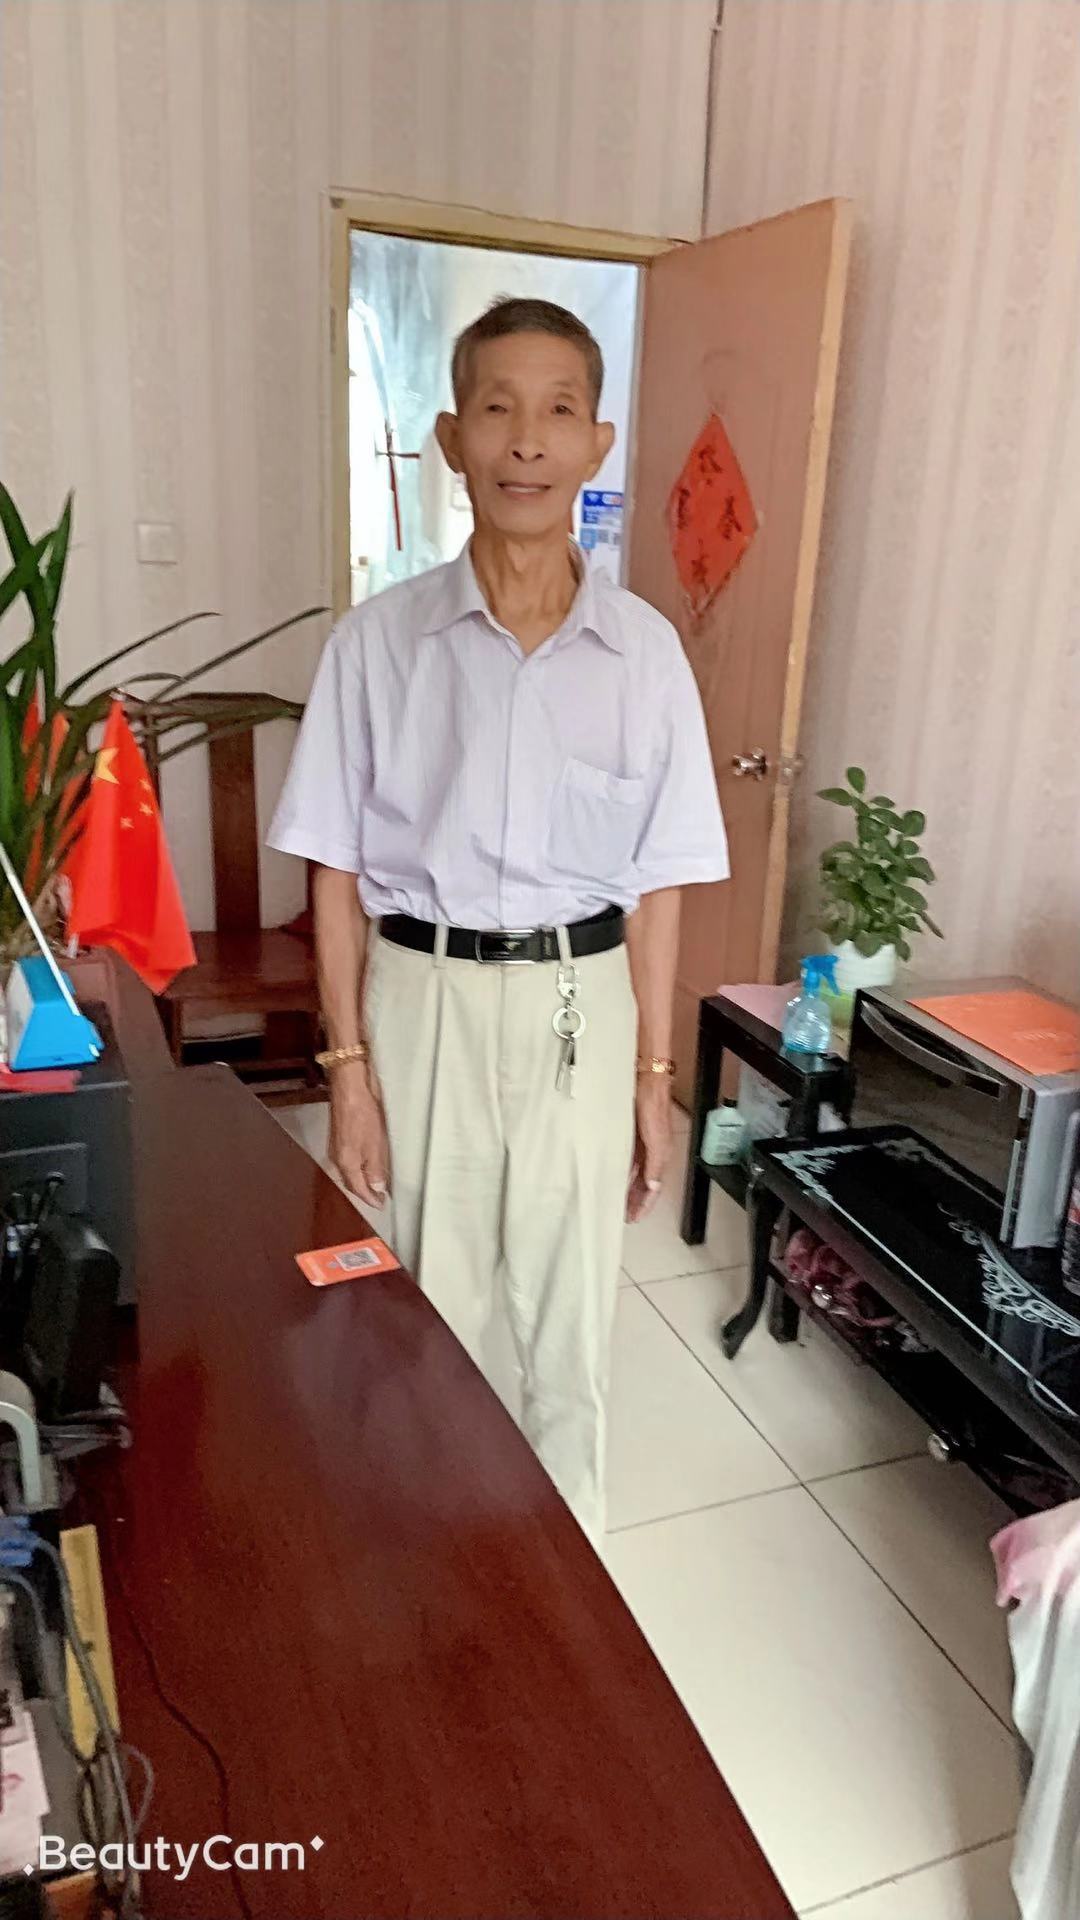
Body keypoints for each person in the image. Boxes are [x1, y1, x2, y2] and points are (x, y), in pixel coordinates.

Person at [268, 297, 728, 1541]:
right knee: (436, 1291)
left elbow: (660, 885)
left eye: (559, 411)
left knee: (571, 1305)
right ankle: (430, 1550)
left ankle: (566, 1568)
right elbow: (332, 872)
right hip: (424, 998)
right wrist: (348, 1071)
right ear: (453, 436)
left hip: (584, 997)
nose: (527, 439)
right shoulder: (378, 646)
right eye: (497, 408)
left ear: (597, 442)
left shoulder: (646, 657)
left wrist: (653, 1077)